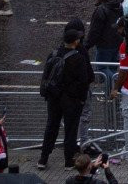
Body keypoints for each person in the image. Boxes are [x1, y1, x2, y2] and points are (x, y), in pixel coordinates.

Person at [36, 19, 92, 169]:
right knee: (71, 130)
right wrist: (81, 99)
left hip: (53, 98)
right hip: (71, 100)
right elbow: (85, 80)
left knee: (51, 127)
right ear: (75, 41)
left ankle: (43, 158)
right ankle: (68, 161)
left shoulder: (53, 54)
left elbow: (46, 76)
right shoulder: (78, 57)